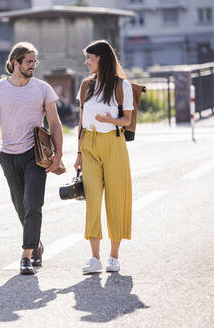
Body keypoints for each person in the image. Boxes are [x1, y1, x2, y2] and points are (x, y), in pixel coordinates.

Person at [0, 42, 64, 275]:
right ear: (16, 63)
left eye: (35, 62)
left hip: (35, 155)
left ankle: (26, 256)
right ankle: (36, 244)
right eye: (29, 62)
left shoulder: (42, 89)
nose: (33, 66)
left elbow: (54, 123)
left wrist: (59, 154)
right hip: (9, 156)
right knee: (20, 205)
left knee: (33, 204)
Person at [74, 40, 133, 273]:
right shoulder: (86, 85)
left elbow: (127, 120)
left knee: (116, 198)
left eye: (89, 57)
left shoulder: (122, 86)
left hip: (113, 144)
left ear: (101, 58)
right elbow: (81, 120)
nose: (86, 62)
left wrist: (110, 120)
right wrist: (78, 152)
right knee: (93, 200)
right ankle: (94, 258)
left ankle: (114, 257)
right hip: (89, 143)